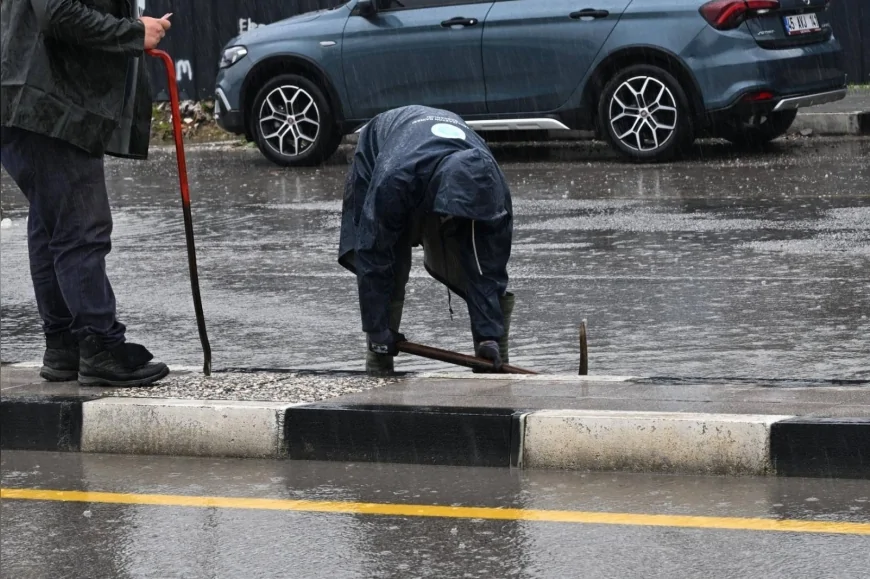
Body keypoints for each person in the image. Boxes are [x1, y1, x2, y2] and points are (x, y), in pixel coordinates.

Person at [1, 1, 174, 386]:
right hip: (50, 102)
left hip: (33, 95)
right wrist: (132, 32)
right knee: (80, 227)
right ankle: (100, 346)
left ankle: (65, 344)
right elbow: (58, 12)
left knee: (52, 223)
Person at [339, 105, 515, 376]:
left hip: (428, 155)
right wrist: (377, 329)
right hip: (386, 149)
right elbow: (374, 252)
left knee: (475, 249)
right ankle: (378, 362)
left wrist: (488, 336)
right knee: (392, 261)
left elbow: (487, 265)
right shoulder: (394, 180)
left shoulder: (492, 187)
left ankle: (496, 359)